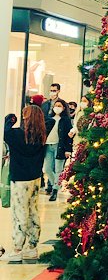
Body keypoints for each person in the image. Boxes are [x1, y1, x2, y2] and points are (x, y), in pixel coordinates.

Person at [3, 105, 47, 262]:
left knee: (19, 213)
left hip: (20, 180)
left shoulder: (16, 135)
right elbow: (49, 121)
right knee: (33, 211)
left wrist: (10, 117)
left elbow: (6, 130)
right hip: (35, 179)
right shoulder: (42, 135)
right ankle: (32, 247)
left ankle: (17, 248)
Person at [53, 98, 73, 197]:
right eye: (55, 106)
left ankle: (55, 189)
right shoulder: (49, 118)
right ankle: (55, 183)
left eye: (59, 106)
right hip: (49, 145)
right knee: (48, 168)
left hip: (60, 146)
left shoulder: (66, 120)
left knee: (58, 169)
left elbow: (68, 136)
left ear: (64, 108)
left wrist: (68, 149)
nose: (57, 108)